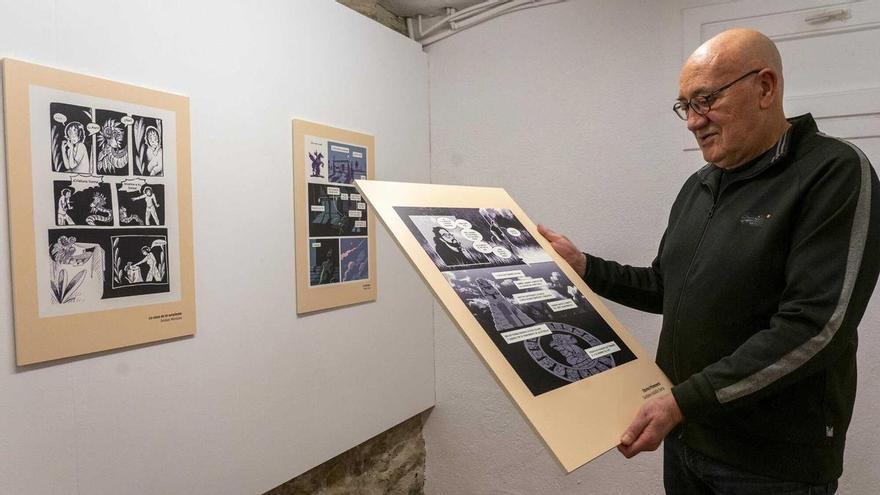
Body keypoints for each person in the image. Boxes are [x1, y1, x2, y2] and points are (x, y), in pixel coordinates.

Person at [539, 28, 880, 494]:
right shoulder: (701, 184)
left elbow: (818, 325)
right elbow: (666, 286)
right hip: (688, 437)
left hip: (771, 462)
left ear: (765, 88)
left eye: (705, 100)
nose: (693, 122)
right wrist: (584, 267)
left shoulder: (833, 171)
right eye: (685, 106)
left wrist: (682, 401)